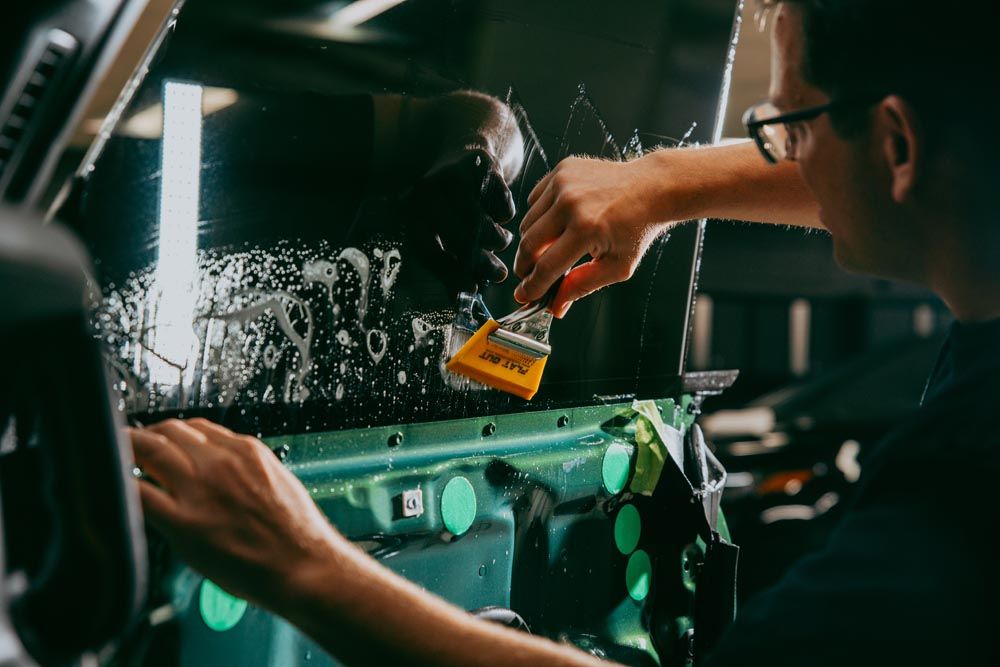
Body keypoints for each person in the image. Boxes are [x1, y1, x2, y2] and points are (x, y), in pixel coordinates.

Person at [128, 0, 1000, 664]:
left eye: (788, 127)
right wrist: (663, 183)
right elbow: (883, 172)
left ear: (897, 143)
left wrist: (300, 565)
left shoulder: (958, 494)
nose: (778, 153)